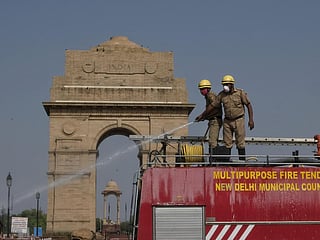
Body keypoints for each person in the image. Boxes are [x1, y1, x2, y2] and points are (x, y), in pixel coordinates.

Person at [218, 74, 254, 160]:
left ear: (232, 84)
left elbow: (248, 105)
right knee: (227, 143)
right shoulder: (221, 95)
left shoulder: (240, 93)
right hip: (227, 121)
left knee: (240, 142)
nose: (225, 86)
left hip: (239, 119)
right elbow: (215, 105)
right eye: (224, 84)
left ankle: (242, 162)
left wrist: (251, 120)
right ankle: (227, 162)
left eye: (227, 84)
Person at [195, 79, 223, 161]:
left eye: (203, 89)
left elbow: (214, 107)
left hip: (215, 121)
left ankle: (214, 159)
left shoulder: (211, 96)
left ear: (208, 88)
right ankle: (213, 158)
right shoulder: (208, 96)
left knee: (212, 141)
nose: (201, 91)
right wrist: (204, 117)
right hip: (212, 120)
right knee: (212, 140)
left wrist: (202, 115)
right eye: (200, 89)